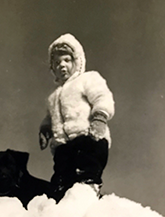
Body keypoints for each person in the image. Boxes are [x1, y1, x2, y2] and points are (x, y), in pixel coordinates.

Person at [39, 33, 115, 202]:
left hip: (88, 138)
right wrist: (45, 130)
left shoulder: (87, 79)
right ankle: (61, 199)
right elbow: (50, 117)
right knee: (61, 180)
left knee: (86, 171)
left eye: (67, 60)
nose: (62, 65)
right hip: (63, 148)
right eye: (57, 63)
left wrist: (100, 117)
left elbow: (102, 97)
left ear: (77, 61)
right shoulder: (53, 97)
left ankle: (89, 190)